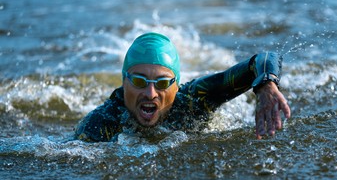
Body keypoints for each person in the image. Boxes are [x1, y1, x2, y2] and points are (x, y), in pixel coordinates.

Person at [74, 32, 291, 142]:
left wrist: (266, 85)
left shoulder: (195, 99)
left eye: (161, 83)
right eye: (139, 81)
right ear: (124, 82)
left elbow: (265, 58)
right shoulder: (100, 123)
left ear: (176, 85)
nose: (150, 93)